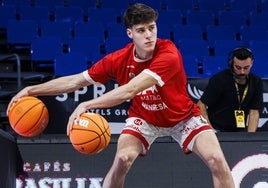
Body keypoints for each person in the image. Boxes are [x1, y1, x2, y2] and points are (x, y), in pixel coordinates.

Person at [7, 3, 235, 188]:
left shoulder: (169, 54)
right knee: (122, 160)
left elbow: (129, 90)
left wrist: (86, 105)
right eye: (141, 30)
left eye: (152, 28)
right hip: (144, 118)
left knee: (217, 160)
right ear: (130, 33)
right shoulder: (118, 59)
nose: (149, 35)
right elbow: (75, 80)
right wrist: (32, 90)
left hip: (183, 116)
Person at [197, 47, 263, 132]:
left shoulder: (256, 82)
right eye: (238, 68)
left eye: (246, 68)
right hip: (216, 128)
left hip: (239, 130)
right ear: (232, 64)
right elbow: (201, 105)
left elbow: (254, 111)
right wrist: (210, 131)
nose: (242, 72)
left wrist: (250, 137)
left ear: (252, 63)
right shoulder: (220, 79)